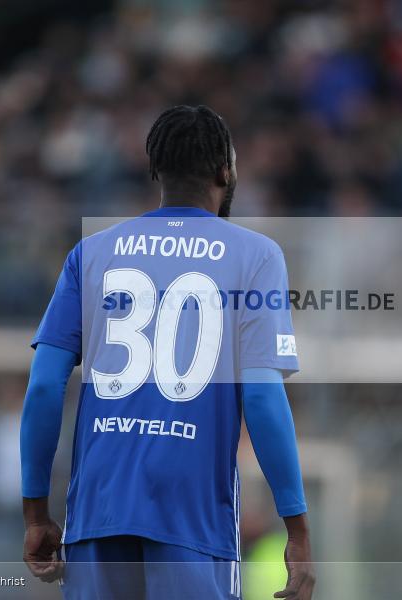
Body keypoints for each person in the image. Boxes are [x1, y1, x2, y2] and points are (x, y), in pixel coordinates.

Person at [20, 105, 314, 600]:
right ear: (226, 171)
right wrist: (298, 530)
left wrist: (35, 514)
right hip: (192, 521)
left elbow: (45, 385)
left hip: (97, 514)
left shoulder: (91, 253)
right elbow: (263, 399)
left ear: (155, 170)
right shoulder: (256, 256)